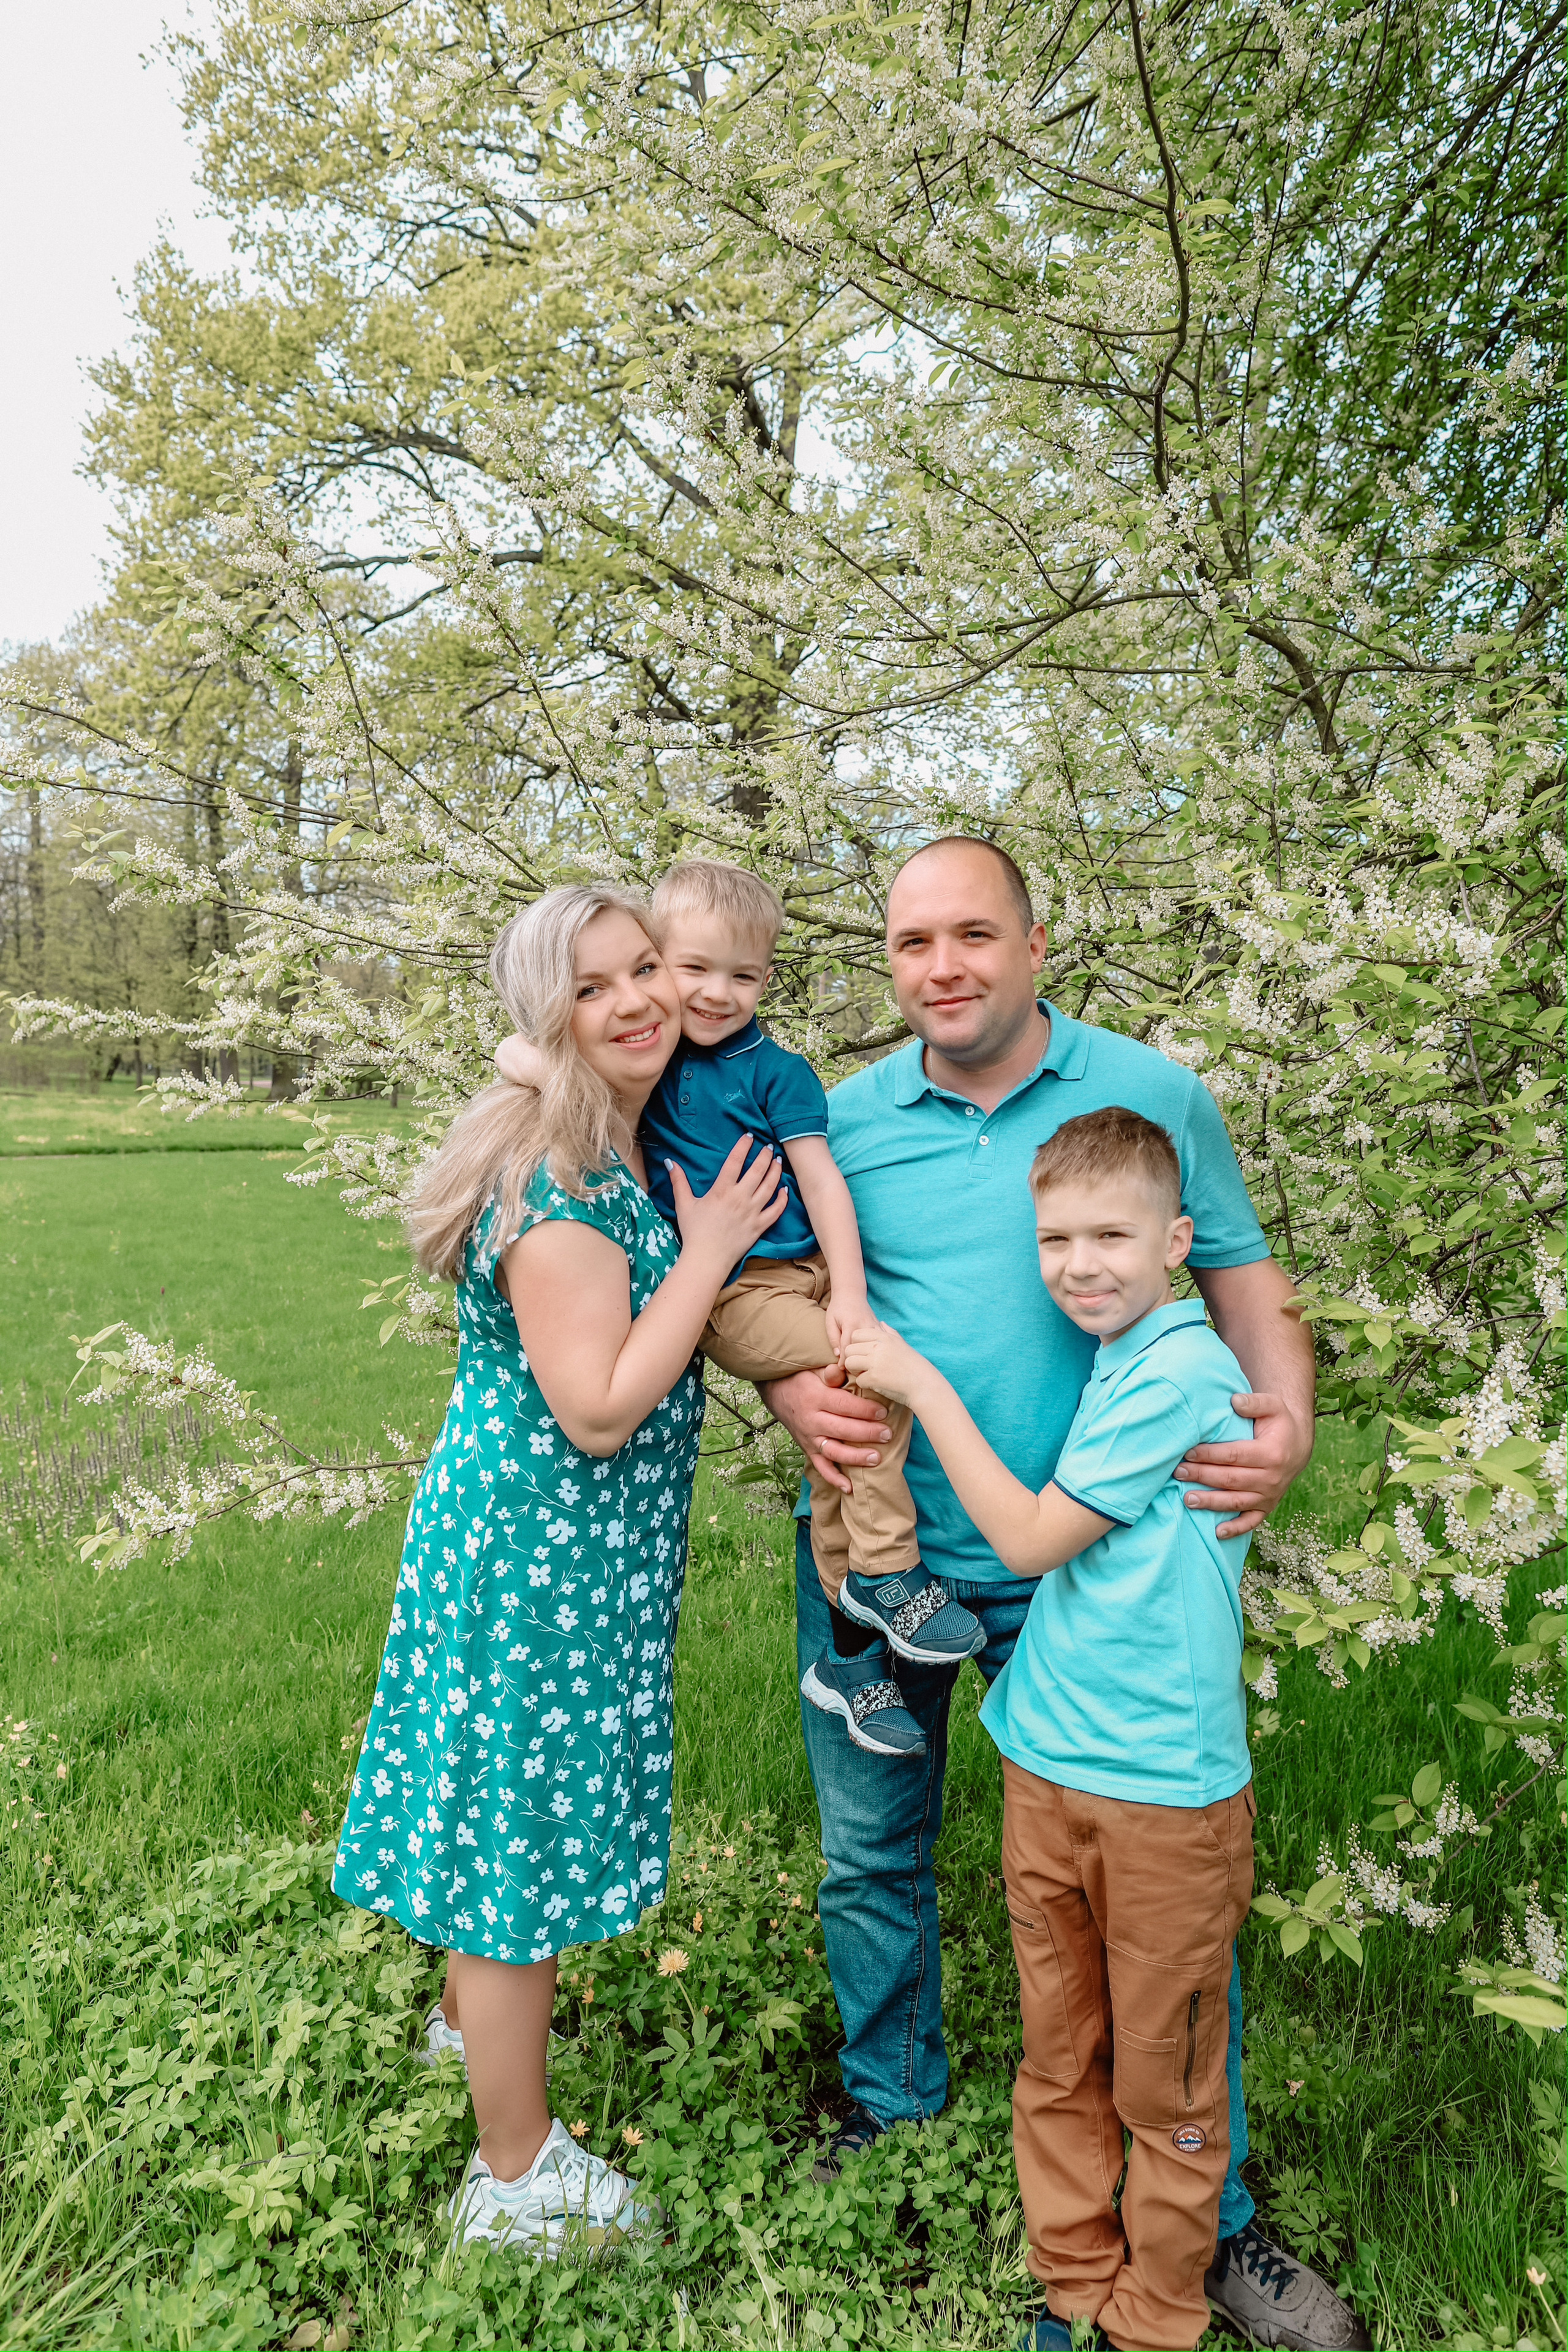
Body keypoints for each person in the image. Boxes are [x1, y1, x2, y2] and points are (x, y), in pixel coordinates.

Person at [760, 837, 1368, 2350]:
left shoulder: (1146, 1097)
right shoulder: (839, 1123)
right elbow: (767, 1293)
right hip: (891, 1567)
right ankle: (895, 2118)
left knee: (1149, 1921)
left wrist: (1281, 1425)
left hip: (1080, 1572)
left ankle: (1208, 2228)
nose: (940, 967)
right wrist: (793, 1400)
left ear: (1038, 940)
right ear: (887, 964)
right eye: (910, 944)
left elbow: (1240, 1274)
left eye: (972, 934)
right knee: (871, 1855)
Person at [334, 883, 786, 2256]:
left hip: (546, 1555)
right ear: (548, 1014)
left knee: (496, 1807)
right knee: (514, 1846)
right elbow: (597, 1406)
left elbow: (543, 1065)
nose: (640, 999)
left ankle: (474, 2030)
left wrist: (553, 1054)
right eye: (592, 988)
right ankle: (515, 2174)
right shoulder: (564, 1182)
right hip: (540, 1560)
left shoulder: (583, 1126)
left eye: (645, 967)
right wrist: (709, 1255)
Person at [845, 1106, 1259, 2351]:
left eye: (1110, 1236)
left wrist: (918, 1381)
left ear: (1177, 1240)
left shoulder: (1181, 1373)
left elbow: (1029, 1541)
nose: (1078, 1264)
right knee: (1055, 2050)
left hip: (1160, 1798)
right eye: (1055, 1239)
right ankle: (1070, 2281)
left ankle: (1152, 2316)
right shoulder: (1117, 1355)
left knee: (1165, 2084)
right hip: (1045, 1765)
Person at [497, 858, 987, 1751]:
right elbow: (544, 1048)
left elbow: (823, 1182)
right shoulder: (652, 1057)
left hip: (803, 1275)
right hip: (727, 1290)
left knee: (848, 1420)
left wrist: (850, 1296)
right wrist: (523, 1047)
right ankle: (888, 1575)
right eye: (688, 969)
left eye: (744, 975)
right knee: (881, 1387)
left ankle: (850, 1659)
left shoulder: (774, 1070)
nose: (712, 994)